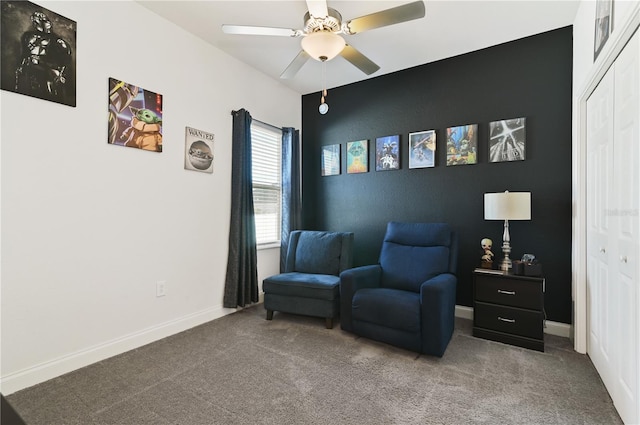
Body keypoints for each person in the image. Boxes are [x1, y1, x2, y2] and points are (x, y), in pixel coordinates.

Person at [15, 11, 72, 102]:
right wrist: (20, 66)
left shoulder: (55, 39)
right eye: (36, 20)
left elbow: (66, 54)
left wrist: (61, 73)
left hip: (46, 69)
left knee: (48, 92)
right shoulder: (27, 36)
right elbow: (25, 53)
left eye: (42, 20)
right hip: (30, 68)